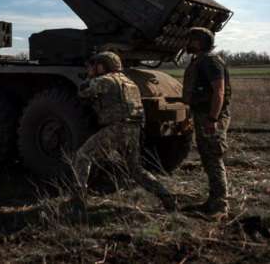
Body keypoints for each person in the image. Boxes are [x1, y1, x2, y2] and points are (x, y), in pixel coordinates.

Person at [71, 51, 177, 216]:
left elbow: (83, 91)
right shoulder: (129, 82)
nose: (94, 68)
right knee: (135, 169)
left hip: (116, 129)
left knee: (83, 155)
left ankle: (78, 201)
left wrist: (89, 76)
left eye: (96, 65)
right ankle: (166, 196)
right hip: (133, 129)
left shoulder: (105, 80)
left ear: (103, 66)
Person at [182, 27, 232, 217]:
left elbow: (218, 92)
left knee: (213, 157)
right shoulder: (201, 60)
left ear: (200, 42)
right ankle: (213, 201)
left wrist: (212, 118)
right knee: (208, 157)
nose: (187, 43)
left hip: (210, 117)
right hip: (203, 115)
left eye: (190, 39)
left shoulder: (210, 61)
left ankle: (220, 206)